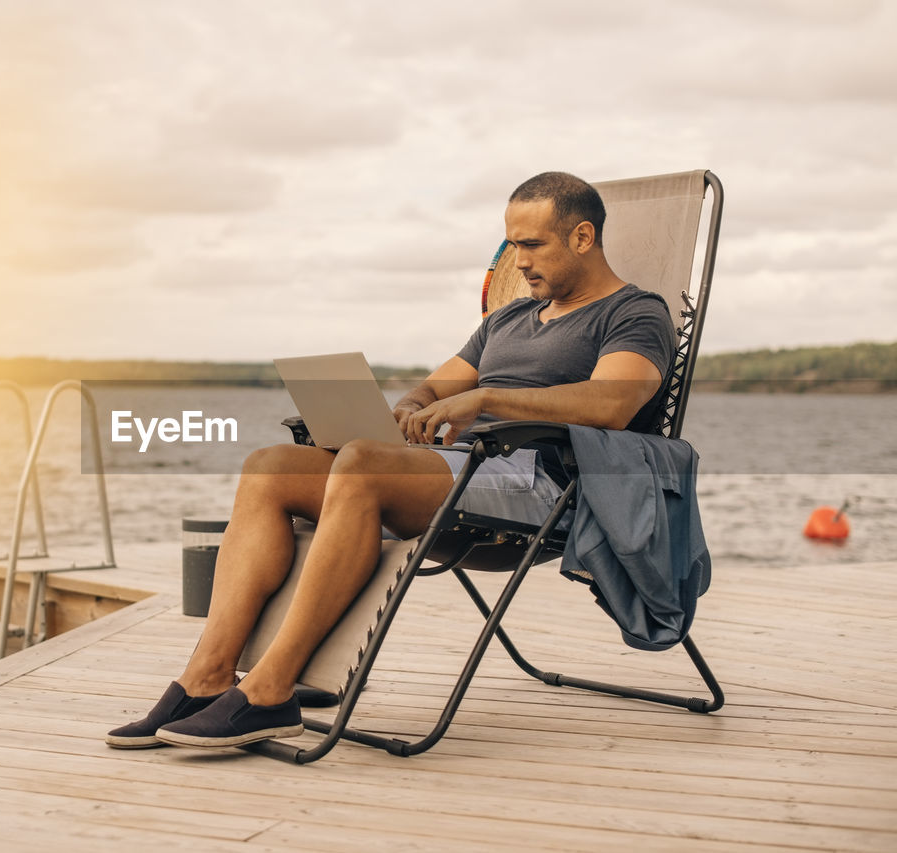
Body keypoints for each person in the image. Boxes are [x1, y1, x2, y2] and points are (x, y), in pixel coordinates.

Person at [106, 171, 676, 749]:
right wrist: (408, 413)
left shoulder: (634, 313)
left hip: (539, 484)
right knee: (269, 466)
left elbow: (612, 403)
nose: (518, 262)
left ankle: (270, 692)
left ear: (582, 238)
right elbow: (430, 391)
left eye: (532, 245)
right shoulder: (508, 319)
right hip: (458, 468)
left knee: (360, 465)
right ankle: (205, 676)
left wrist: (486, 397)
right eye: (510, 246)